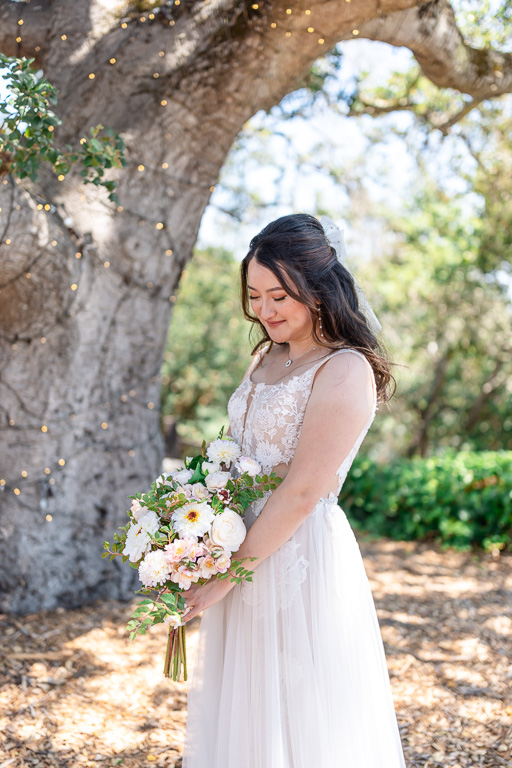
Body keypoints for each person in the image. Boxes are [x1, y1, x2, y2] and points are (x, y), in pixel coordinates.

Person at [181, 213, 407, 768]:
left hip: (297, 556)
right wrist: (192, 539)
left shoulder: (344, 369)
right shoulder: (265, 356)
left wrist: (227, 575)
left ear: (319, 287)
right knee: (246, 707)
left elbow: (305, 488)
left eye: (279, 295)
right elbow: (234, 456)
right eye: (255, 296)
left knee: (299, 707)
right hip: (237, 543)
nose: (265, 310)